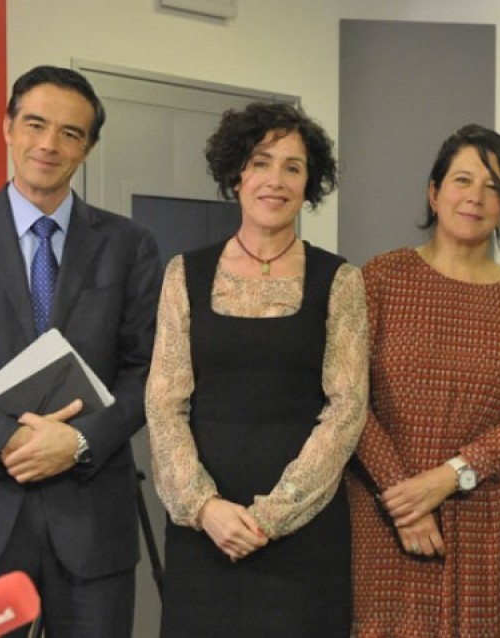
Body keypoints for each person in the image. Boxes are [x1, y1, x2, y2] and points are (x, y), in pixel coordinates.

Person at [0, 65, 162, 637]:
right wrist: (6, 439)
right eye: (35, 124)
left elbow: (147, 370)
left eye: (70, 133)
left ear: (87, 148)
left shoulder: (130, 245)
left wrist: (80, 441)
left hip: (91, 522)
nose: (48, 144)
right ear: (8, 127)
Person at [145, 101, 368, 637]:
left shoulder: (340, 280)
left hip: (303, 533)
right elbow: (163, 402)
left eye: (293, 167)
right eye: (261, 162)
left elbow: (347, 410)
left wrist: (272, 516)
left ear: (309, 184)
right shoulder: (184, 274)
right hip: (205, 531)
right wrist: (206, 508)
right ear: (236, 174)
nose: (276, 180)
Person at [348, 124, 500, 637]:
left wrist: (451, 475)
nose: (475, 196)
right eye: (462, 180)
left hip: (490, 515)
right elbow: (349, 399)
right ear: (434, 193)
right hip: (390, 515)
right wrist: (405, 499)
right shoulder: (381, 278)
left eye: (493, 187)